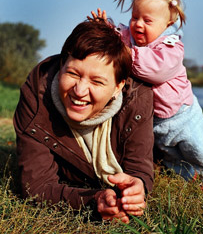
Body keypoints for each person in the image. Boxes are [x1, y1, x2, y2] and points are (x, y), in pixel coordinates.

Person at [13, 19, 154, 223]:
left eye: (97, 81)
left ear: (118, 86)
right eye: (72, 73)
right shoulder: (35, 96)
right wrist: (94, 200)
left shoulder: (138, 99)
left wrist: (137, 187)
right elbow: (37, 186)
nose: (79, 91)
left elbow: (138, 168)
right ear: (62, 66)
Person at [90, 0, 203, 183]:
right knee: (171, 156)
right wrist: (105, 27)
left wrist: (128, 53)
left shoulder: (171, 48)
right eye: (135, 17)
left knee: (198, 150)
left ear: (167, 25)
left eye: (147, 20)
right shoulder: (131, 39)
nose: (138, 24)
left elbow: (156, 70)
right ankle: (186, 177)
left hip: (182, 117)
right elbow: (117, 40)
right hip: (156, 120)